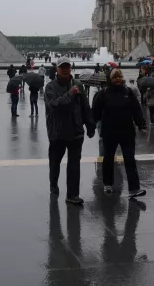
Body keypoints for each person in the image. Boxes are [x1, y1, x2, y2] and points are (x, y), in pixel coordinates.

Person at [44, 58, 94, 205]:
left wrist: (90, 125)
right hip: (57, 133)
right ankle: (53, 184)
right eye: (62, 67)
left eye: (67, 67)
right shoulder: (50, 87)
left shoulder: (78, 85)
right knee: (55, 163)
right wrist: (71, 94)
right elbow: (55, 106)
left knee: (74, 165)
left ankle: (72, 195)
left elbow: (85, 106)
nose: (65, 69)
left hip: (76, 131)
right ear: (57, 69)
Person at [93, 69, 147, 198]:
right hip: (109, 132)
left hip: (127, 131)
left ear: (122, 78)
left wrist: (142, 125)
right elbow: (95, 111)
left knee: (130, 160)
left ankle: (134, 188)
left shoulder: (128, 92)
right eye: (114, 77)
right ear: (110, 79)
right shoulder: (103, 93)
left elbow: (136, 110)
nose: (117, 79)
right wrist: (93, 126)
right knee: (108, 159)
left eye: (119, 77)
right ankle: (108, 184)